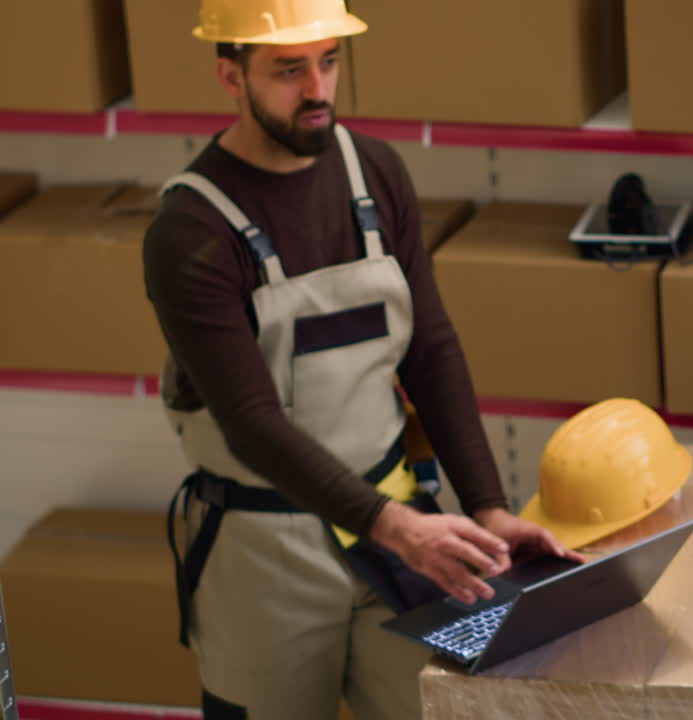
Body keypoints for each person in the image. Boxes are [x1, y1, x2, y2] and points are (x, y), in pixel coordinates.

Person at [143, 2, 580, 717]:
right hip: (266, 550)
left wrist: (488, 506)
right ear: (230, 76)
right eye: (288, 70)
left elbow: (431, 349)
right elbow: (251, 424)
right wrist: (392, 526)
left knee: (436, 706)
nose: (317, 88)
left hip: (399, 530)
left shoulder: (374, 171)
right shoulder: (191, 230)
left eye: (329, 61)